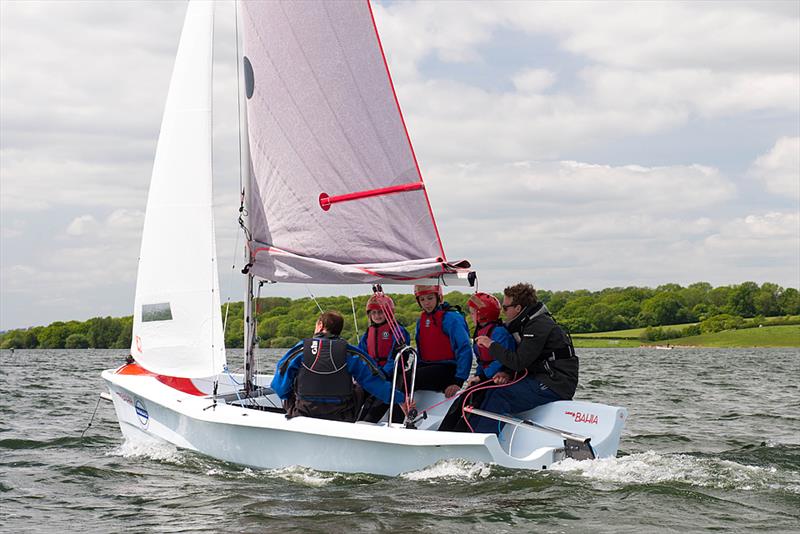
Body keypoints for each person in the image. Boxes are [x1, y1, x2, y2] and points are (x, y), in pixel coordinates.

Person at [472, 283, 578, 434]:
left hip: (556, 383)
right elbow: (523, 360)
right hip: (540, 378)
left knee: (501, 395)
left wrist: (491, 345)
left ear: (518, 308)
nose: (503, 312)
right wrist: (506, 373)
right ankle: (473, 435)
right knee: (489, 391)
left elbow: (519, 362)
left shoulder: (538, 325)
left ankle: (484, 439)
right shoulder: (524, 323)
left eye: (505, 308)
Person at [271, 310, 413, 422]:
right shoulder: (350, 352)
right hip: (341, 415)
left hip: (304, 412)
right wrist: (400, 398)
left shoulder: (301, 349)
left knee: (289, 385)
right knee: (360, 385)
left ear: (320, 325)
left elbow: (279, 384)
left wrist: (288, 395)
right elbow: (374, 381)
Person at [438, 292, 516, 431]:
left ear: (482, 314)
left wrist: (482, 376)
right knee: (460, 401)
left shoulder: (499, 333)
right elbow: (481, 361)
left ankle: (462, 433)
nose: (470, 316)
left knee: (474, 405)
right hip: (485, 378)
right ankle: (444, 431)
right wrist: (477, 376)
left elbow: (501, 359)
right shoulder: (480, 332)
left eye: (473, 313)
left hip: (496, 379)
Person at [356, 294, 412, 422]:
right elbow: (361, 355)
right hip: (373, 377)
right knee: (360, 410)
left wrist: (383, 374)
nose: (377, 315)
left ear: (389, 312)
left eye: (381, 312)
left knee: (373, 413)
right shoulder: (367, 333)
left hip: (391, 378)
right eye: (374, 313)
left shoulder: (398, 331)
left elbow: (397, 356)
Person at [411, 284, 472, 398]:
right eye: (422, 299)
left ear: (439, 297)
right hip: (428, 368)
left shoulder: (451, 318)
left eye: (430, 298)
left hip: (447, 370)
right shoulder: (421, 321)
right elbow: (420, 350)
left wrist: (458, 381)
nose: (426, 303)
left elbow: (464, 348)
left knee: (407, 379)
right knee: (400, 378)